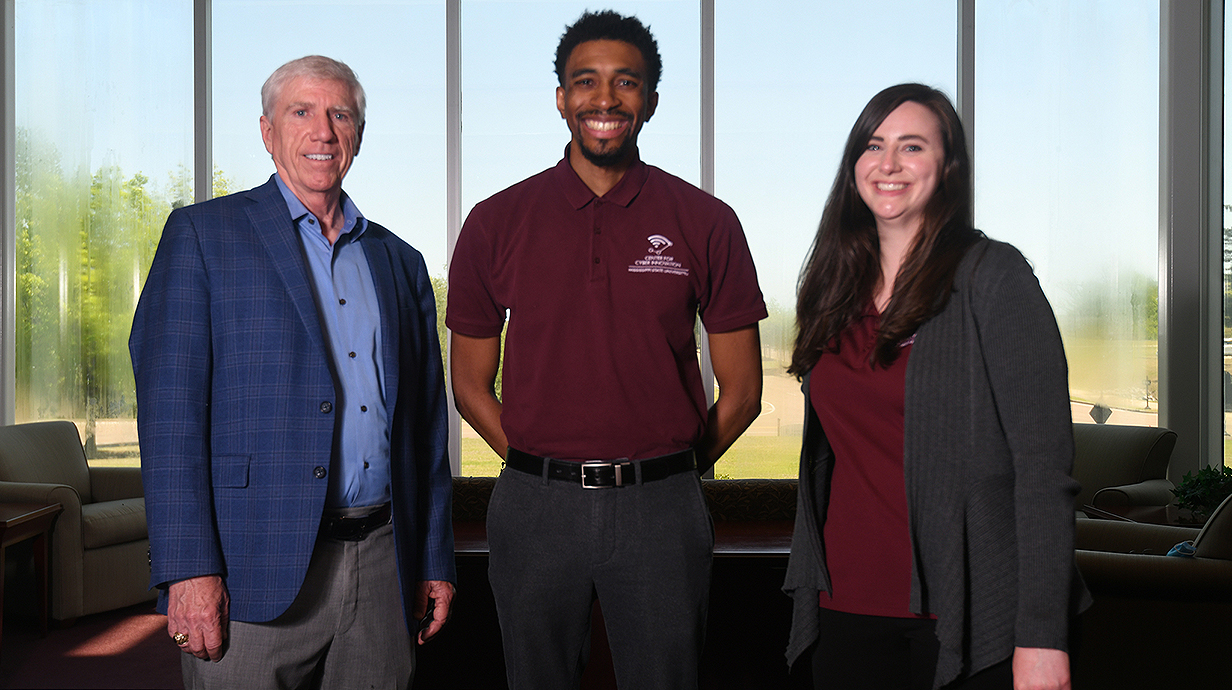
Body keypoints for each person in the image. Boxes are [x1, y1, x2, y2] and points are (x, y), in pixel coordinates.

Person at [447, 10, 766, 689]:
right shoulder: (495, 221)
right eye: (584, 81)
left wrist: (675, 471)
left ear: (649, 100)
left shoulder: (706, 221)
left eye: (626, 82)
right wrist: (538, 464)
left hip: (662, 507)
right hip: (534, 508)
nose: (605, 98)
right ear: (561, 97)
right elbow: (470, 383)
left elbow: (742, 391)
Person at [130, 55, 455, 690]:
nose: (323, 132)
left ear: (358, 132)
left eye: (340, 114)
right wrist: (188, 571)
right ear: (266, 130)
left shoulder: (401, 262)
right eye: (301, 112)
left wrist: (434, 557)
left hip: (384, 562)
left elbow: (426, 429)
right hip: (253, 568)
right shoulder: (203, 236)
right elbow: (169, 415)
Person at [783, 83, 1091, 690]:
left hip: (975, 614)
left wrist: (1042, 635)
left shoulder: (993, 277)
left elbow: (1043, 470)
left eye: (912, 146)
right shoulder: (832, 287)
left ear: (947, 168)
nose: (889, 164)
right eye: (873, 146)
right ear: (854, 166)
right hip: (844, 604)